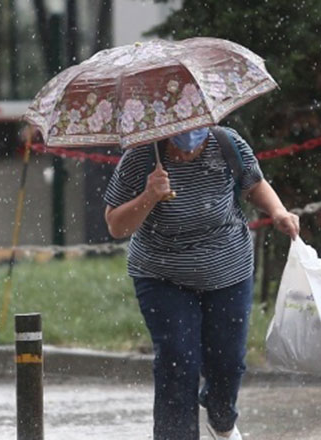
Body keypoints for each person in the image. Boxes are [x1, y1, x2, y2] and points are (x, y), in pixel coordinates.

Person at [103, 126, 299, 440]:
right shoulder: (141, 156)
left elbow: (254, 183)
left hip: (228, 270)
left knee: (228, 362)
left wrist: (277, 211)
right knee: (178, 359)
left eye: (196, 134)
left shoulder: (227, 143)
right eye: (179, 137)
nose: (188, 145)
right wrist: (149, 196)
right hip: (162, 274)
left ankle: (221, 418)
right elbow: (115, 224)